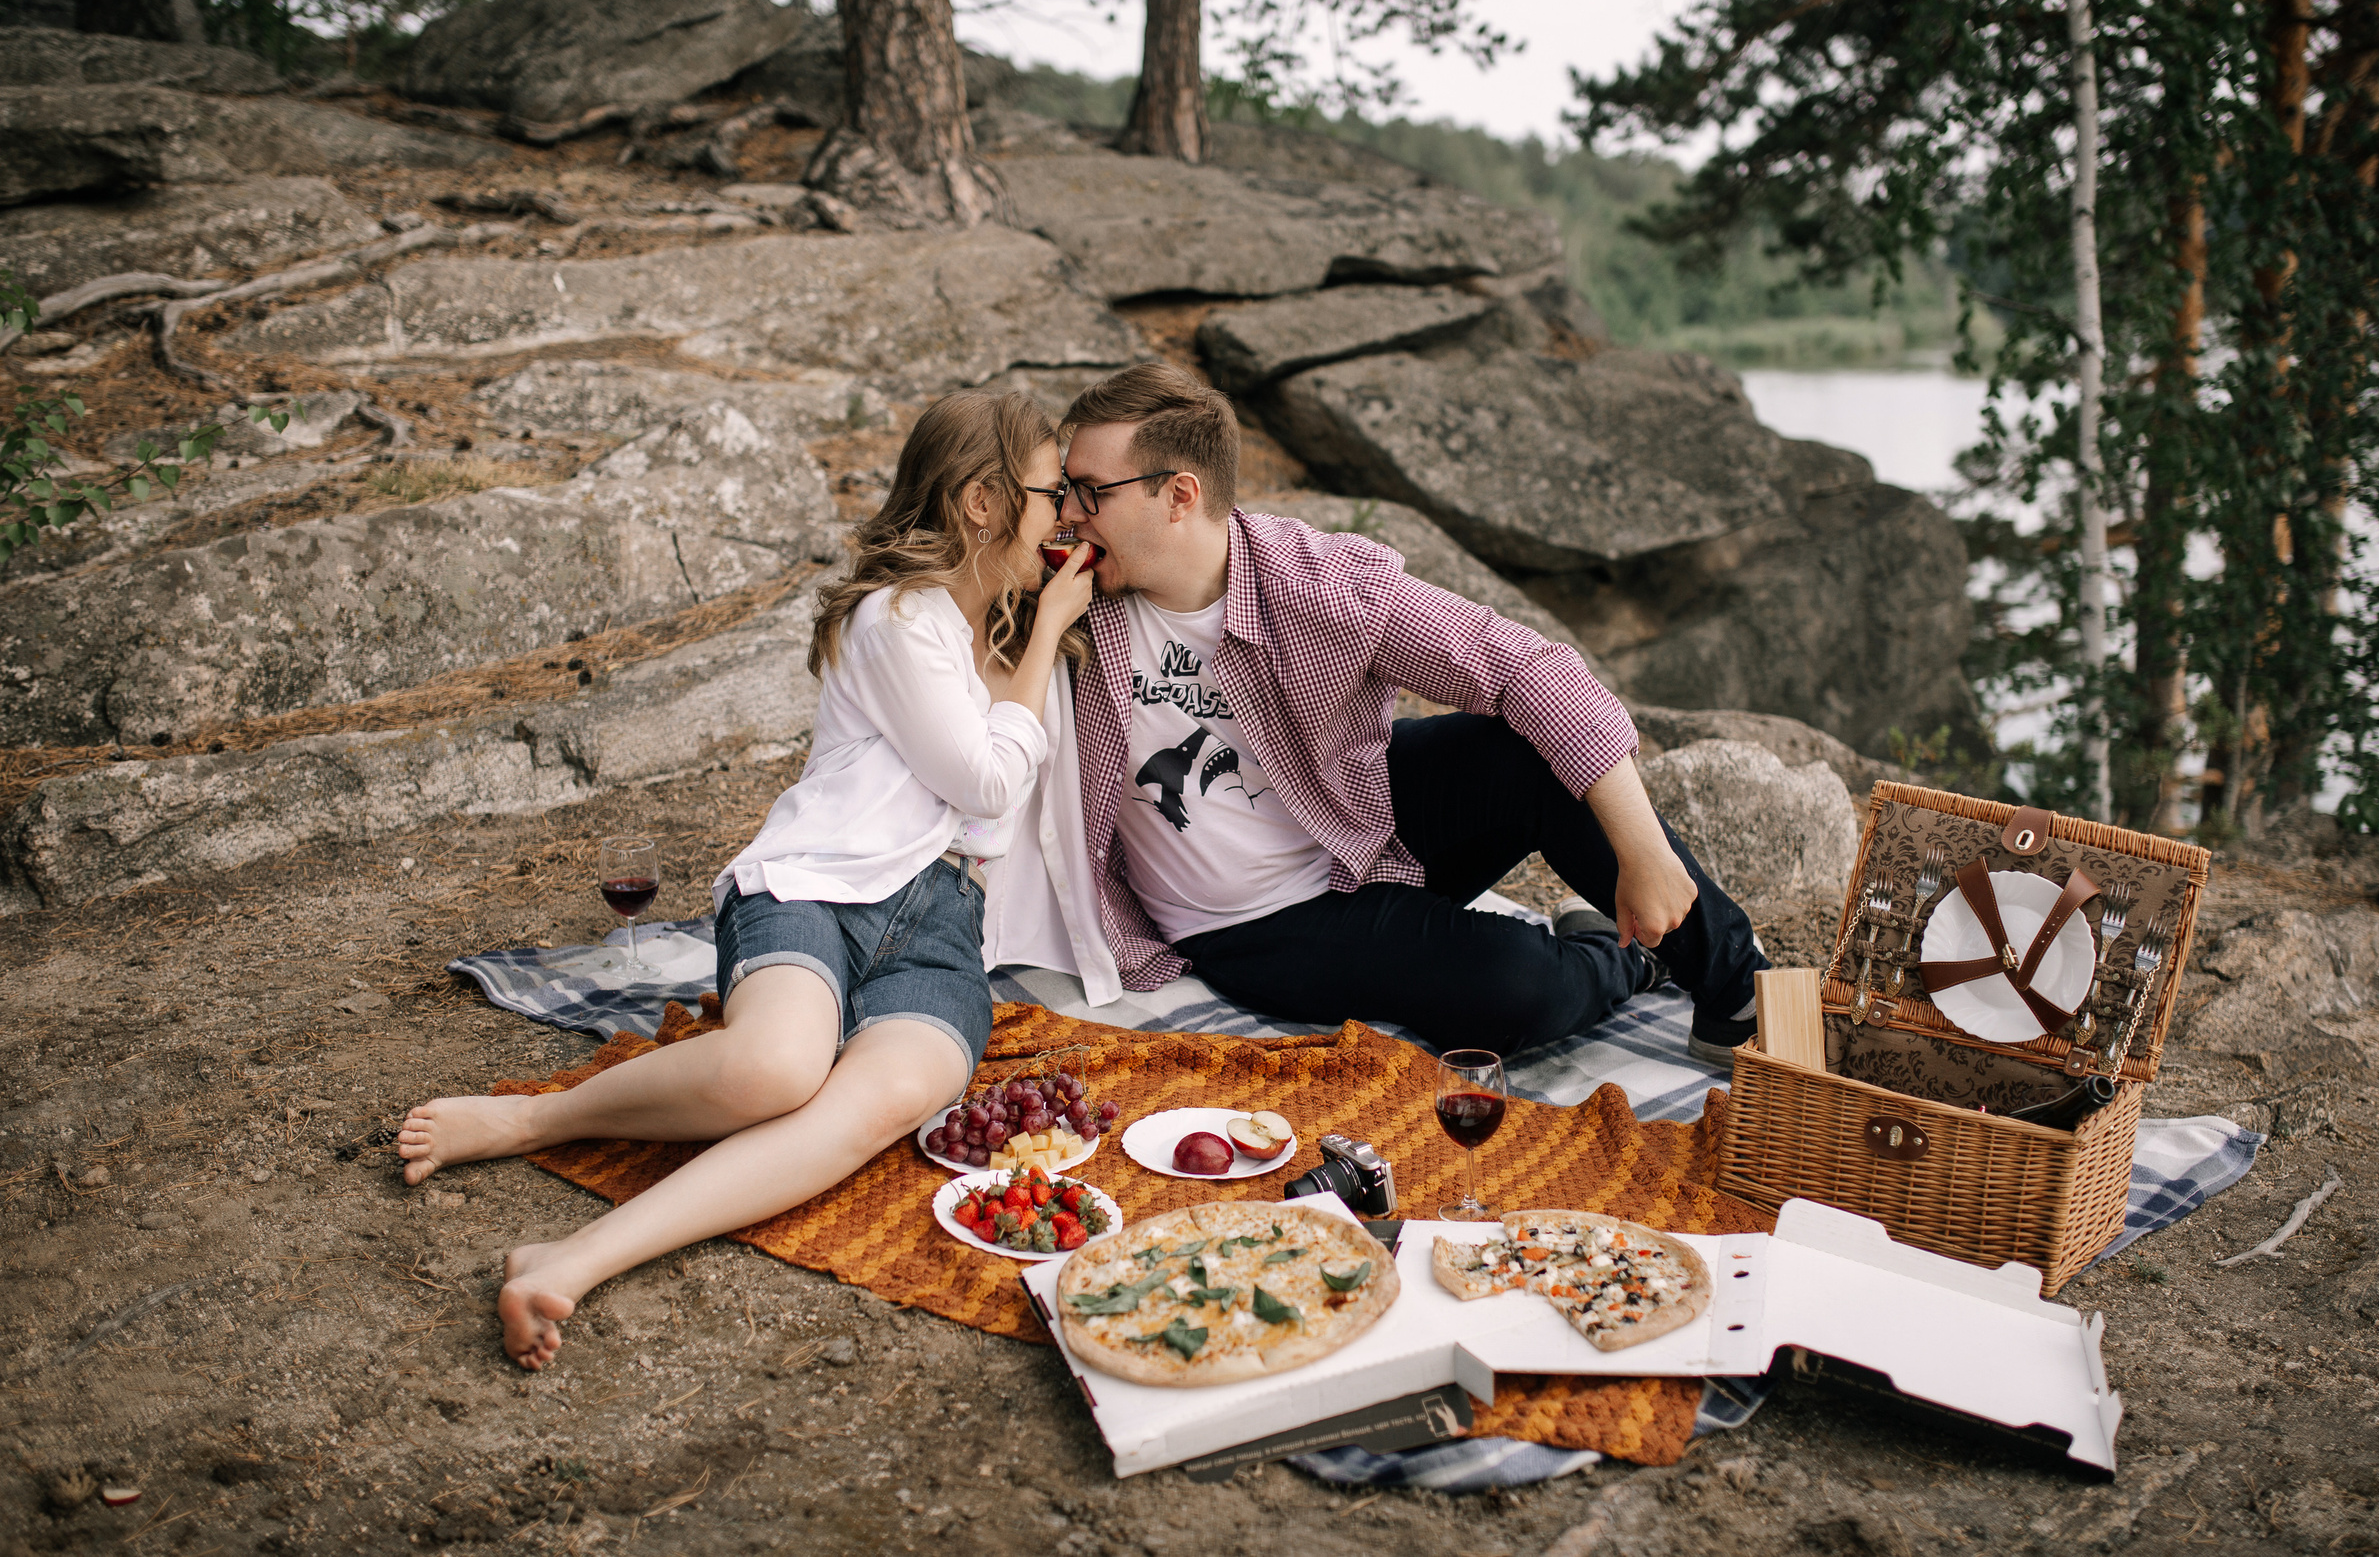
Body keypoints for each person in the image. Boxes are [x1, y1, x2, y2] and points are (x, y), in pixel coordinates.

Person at [393, 391, 1094, 1370]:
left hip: (943, 930)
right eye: (1050, 492)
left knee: (879, 1105)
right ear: (982, 503)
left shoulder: (1030, 644)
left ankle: (575, 1258)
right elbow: (982, 777)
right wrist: (1055, 615)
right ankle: (529, 1118)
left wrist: (1050, 623)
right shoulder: (898, 618)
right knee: (775, 1068)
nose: (1064, 513)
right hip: (815, 886)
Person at [992, 362, 1768, 1060]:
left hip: (1353, 820)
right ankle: (1627, 956)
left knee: (1527, 755)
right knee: (1518, 988)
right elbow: (938, 593)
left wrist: (1644, 852)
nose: (1071, 514)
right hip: (1254, 921)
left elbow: (1529, 665)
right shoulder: (1066, 599)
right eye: (1066, 491)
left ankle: (1740, 993)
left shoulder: (1314, 582)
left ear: (1180, 496)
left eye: (1091, 492)